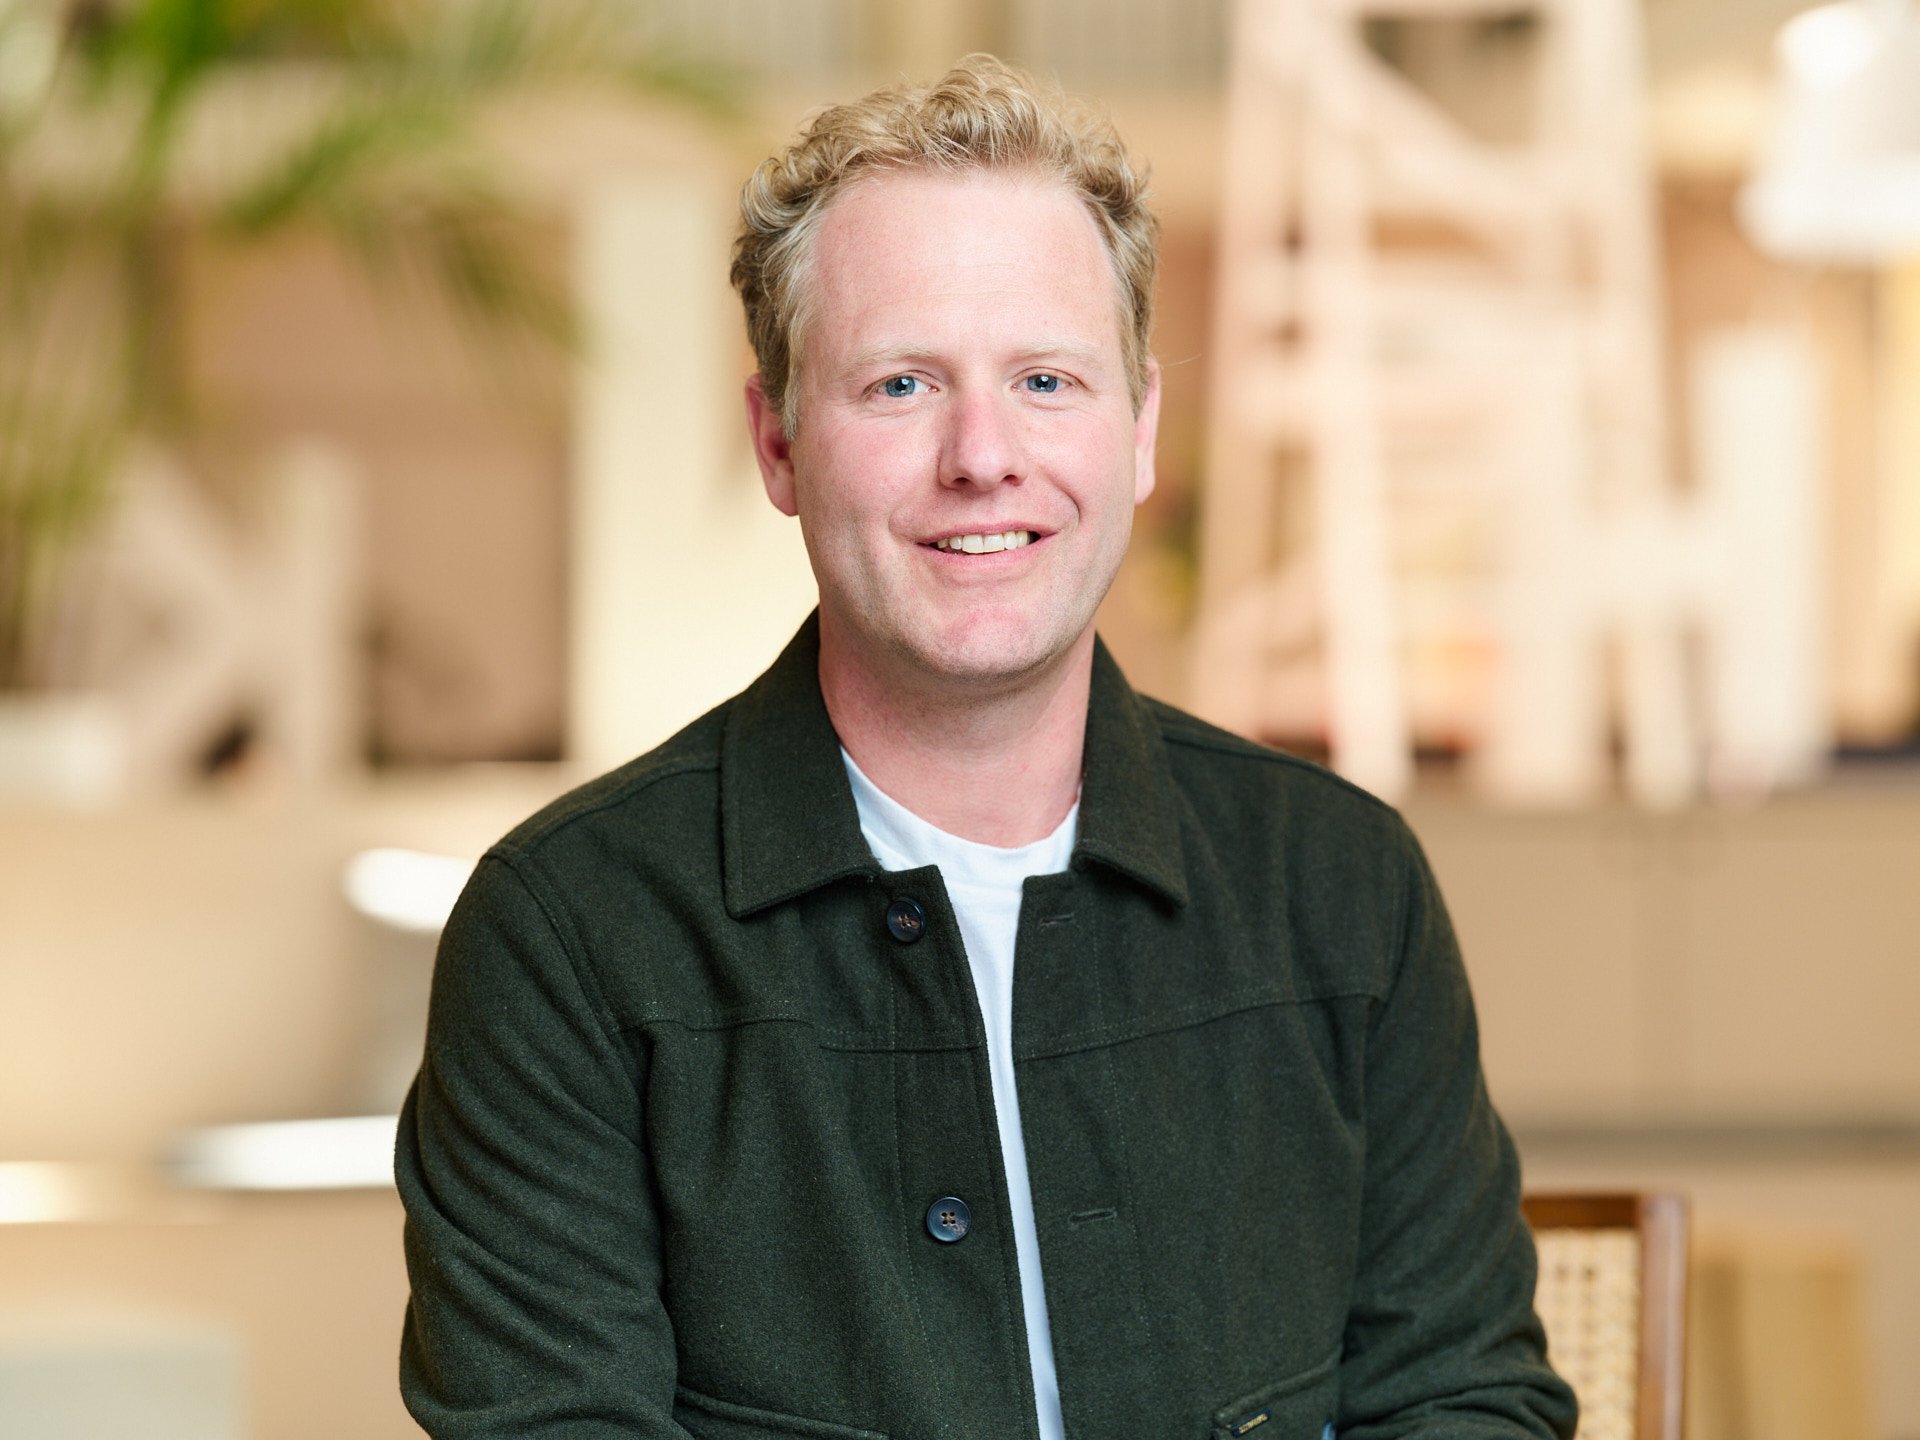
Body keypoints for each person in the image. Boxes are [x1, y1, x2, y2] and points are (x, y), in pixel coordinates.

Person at [397, 54, 1577, 1440]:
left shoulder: (1342, 884)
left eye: (1046, 379)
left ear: (1138, 431)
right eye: (900, 384)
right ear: (777, 439)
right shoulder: (571, 935)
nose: (982, 455)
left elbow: (1463, 1399)